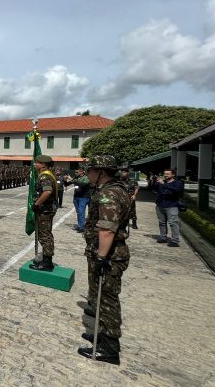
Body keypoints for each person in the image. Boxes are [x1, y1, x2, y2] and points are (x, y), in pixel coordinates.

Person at [78, 155, 132, 365]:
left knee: (107, 300)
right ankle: (102, 336)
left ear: (101, 172)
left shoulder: (110, 194)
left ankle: (109, 349)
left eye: (91, 170)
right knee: (100, 295)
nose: (88, 173)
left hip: (109, 255)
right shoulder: (116, 190)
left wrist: (101, 257)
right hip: (107, 253)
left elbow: (107, 230)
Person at [29, 155, 58, 271]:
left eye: (37, 163)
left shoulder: (45, 176)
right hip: (47, 209)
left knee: (44, 235)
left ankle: (47, 263)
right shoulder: (49, 174)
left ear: (43, 164)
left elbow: (47, 191)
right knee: (45, 234)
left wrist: (36, 204)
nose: (35, 164)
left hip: (45, 210)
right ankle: (46, 259)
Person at [149, 168, 183, 247]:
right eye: (165, 174)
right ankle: (163, 237)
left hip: (172, 205)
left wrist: (164, 184)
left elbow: (177, 191)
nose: (165, 175)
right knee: (162, 222)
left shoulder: (177, 183)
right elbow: (154, 189)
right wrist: (154, 181)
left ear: (173, 174)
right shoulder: (162, 182)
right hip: (160, 205)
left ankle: (175, 240)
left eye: (167, 174)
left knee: (173, 223)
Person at [64, 167, 92, 232]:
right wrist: (65, 180)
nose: (76, 173)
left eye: (77, 172)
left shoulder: (86, 178)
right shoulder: (76, 178)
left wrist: (73, 180)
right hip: (76, 197)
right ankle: (80, 225)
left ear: (82, 172)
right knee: (79, 212)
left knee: (81, 212)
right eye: (75, 172)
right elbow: (67, 184)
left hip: (84, 197)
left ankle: (81, 227)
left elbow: (83, 184)